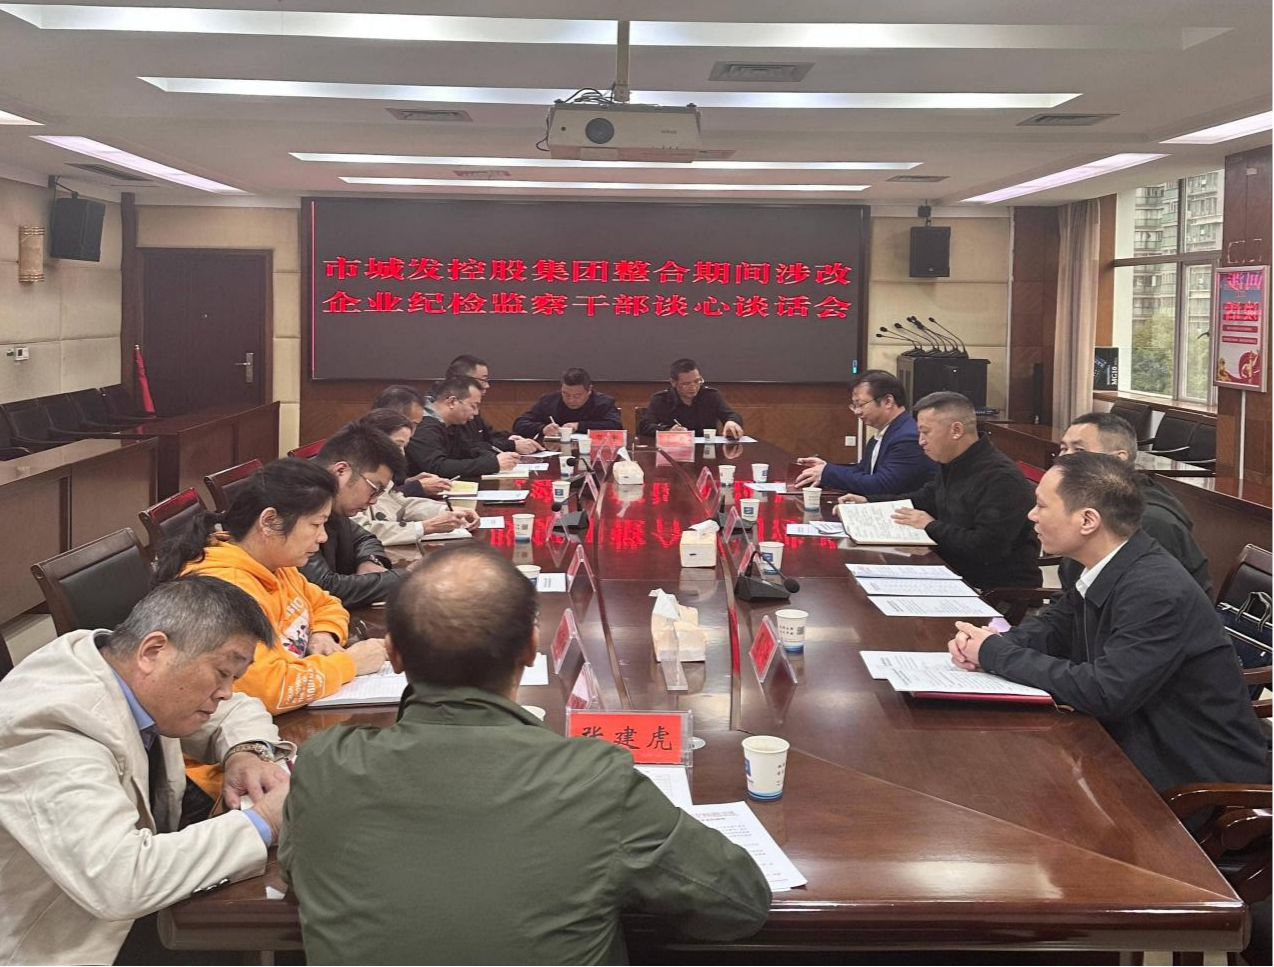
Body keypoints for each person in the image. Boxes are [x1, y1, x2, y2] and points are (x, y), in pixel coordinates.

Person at [279, 543, 771, 965]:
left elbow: (302, 875)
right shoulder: (592, 780)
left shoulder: (323, 766)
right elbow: (739, 903)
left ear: (393, 654)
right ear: (532, 646)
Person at [0, 577, 293, 965]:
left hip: (127, 901)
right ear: (153, 651)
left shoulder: (122, 664)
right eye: (222, 672)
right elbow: (120, 879)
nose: (226, 691)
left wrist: (247, 753)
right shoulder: (50, 727)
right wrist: (266, 821)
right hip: (67, 939)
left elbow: (238, 709)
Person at [948, 453, 1267, 793]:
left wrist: (996, 654)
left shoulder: (1155, 590)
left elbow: (1106, 692)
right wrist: (990, 642)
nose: (1031, 515)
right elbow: (1054, 627)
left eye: (1041, 506)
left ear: (1087, 520)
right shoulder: (1109, 564)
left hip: (1191, 774)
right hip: (1133, 742)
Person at [156, 459, 387, 733]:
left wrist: (323, 634)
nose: (323, 537)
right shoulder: (223, 591)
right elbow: (267, 689)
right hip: (242, 738)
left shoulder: (276, 564)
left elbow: (326, 602)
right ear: (269, 521)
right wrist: (350, 664)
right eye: (316, 524)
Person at [843, 391, 1040, 588]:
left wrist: (930, 526)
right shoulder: (953, 461)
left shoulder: (1000, 477)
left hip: (994, 590)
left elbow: (986, 547)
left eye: (926, 432)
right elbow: (923, 499)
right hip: (951, 569)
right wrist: (868, 502)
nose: (920, 441)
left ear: (956, 430)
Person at [1058, 411, 1211, 595]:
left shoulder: (1149, 522)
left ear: (1118, 459)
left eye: (1079, 450)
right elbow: (1073, 593)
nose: (1064, 458)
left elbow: (1149, 601)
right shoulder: (1092, 504)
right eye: (1063, 448)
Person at [301, 421, 409, 609]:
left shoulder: (331, 499)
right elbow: (323, 588)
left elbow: (364, 538)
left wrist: (368, 561)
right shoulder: (296, 503)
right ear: (341, 471)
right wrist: (407, 578)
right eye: (374, 489)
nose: (374, 501)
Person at [793, 370, 936, 494]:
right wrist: (825, 467)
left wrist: (827, 473)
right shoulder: (881, 435)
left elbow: (881, 485)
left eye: (860, 405)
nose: (857, 411)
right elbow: (862, 472)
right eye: (854, 406)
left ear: (888, 401)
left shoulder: (908, 438)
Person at [353, 409, 479, 544]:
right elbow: (361, 531)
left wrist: (445, 510)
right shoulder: (349, 477)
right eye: (397, 445)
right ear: (372, 440)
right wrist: (426, 527)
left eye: (404, 447)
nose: (401, 454)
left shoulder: (380, 471)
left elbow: (401, 504)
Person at [407, 373, 522, 478]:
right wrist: (493, 464)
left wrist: (496, 457)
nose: (475, 413)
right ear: (452, 402)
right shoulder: (423, 425)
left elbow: (467, 450)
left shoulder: (452, 423)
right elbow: (438, 467)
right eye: (473, 406)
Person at [441, 354, 540, 455]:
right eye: (483, 380)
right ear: (463, 380)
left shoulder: (470, 407)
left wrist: (510, 439)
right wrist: (510, 445)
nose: (487, 386)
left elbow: (488, 436)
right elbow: (467, 447)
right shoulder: (445, 412)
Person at [370, 386, 452, 497]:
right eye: (411, 424)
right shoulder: (363, 447)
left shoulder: (395, 442)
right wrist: (417, 487)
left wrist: (407, 482)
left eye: (416, 425)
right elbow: (376, 498)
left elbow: (388, 486)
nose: (412, 433)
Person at [638, 358, 744, 438]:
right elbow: (645, 426)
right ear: (673, 382)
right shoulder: (660, 399)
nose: (693, 387)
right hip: (673, 451)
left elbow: (731, 415)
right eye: (686, 384)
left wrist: (732, 422)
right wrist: (668, 430)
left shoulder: (711, 396)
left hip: (707, 452)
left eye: (697, 381)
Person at [511, 366, 622, 439]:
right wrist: (542, 428)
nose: (571, 400)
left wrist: (579, 426)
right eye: (566, 394)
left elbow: (616, 426)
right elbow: (520, 424)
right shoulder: (548, 401)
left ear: (589, 390)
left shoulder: (603, 403)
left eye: (577, 396)